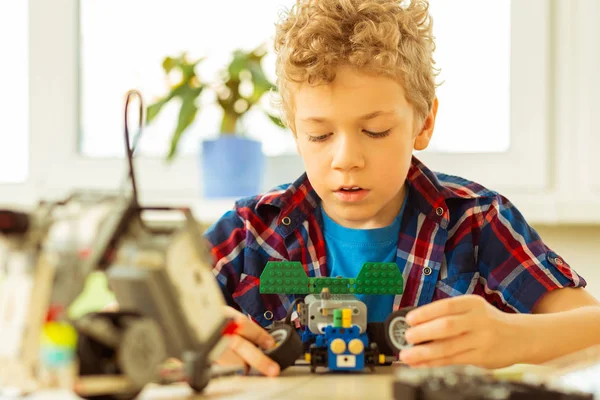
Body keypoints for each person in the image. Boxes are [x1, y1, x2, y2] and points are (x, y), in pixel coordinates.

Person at [206, 0, 599, 377]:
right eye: (320, 134)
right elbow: (148, 319)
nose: (346, 158)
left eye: (375, 131)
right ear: (295, 132)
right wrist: (194, 339)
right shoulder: (250, 232)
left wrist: (513, 338)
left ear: (424, 123)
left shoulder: (477, 224)